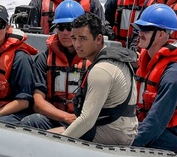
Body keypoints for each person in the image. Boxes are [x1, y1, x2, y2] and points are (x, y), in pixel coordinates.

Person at [54, 11, 137, 145]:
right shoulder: (116, 59)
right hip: (123, 130)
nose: (77, 45)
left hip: (112, 134)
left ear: (98, 39)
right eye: (74, 38)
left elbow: (87, 120)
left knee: (47, 136)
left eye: (83, 38)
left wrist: (59, 144)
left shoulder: (101, 70)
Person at [131, 4, 177, 154]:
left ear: (161, 34)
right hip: (150, 128)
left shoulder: (174, 74)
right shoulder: (147, 64)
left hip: (176, 135)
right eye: (139, 28)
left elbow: (157, 121)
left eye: (146, 29)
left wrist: (129, 144)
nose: (140, 33)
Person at [20, 0, 91, 131]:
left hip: (85, 122)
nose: (65, 32)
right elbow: (37, 101)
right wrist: (65, 117)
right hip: (55, 118)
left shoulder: (93, 59)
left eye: (70, 27)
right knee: (29, 122)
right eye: (61, 27)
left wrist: (79, 121)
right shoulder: (44, 59)